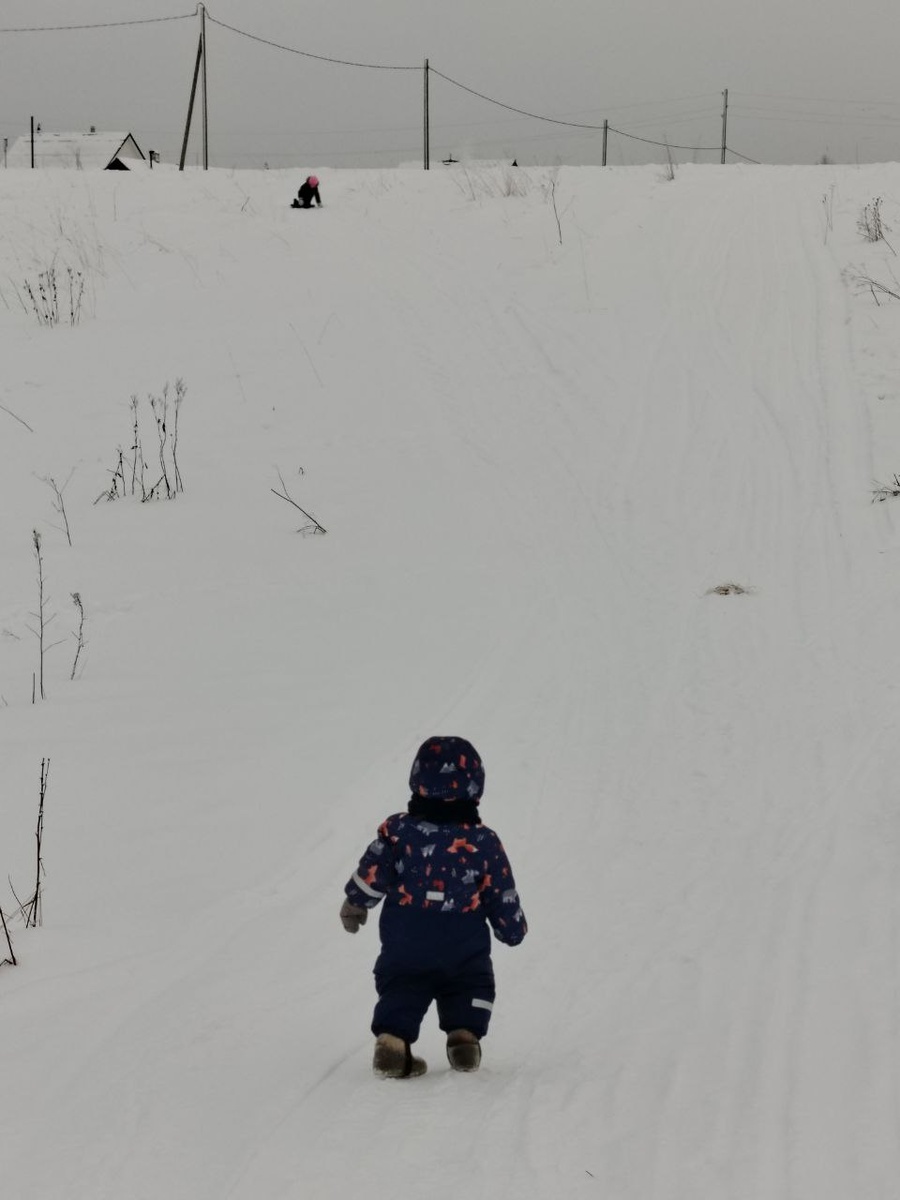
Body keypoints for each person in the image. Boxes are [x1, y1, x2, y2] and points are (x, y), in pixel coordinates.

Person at [340, 736, 527, 1078]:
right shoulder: (484, 841)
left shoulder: (398, 831)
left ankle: (392, 1043)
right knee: (471, 981)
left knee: (402, 984)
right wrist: (511, 929)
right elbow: (500, 890)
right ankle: (464, 1038)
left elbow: (374, 869)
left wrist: (356, 901)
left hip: (407, 940)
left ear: (417, 779)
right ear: (476, 784)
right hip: (463, 943)